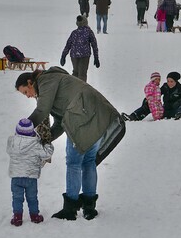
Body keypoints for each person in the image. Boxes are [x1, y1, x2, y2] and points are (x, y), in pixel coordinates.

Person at [15, 68, 125, 220]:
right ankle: (89, 207)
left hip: (81, 117)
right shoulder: (56, 79)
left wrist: (24, 128)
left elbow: (42, 110)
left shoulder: (45, 80)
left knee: (74, 163)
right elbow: (60, 122)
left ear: (30, 82)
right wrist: (47, 139)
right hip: (97, 116)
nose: (28, 96)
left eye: (26, 92)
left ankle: (70, 209)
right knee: (88, 162)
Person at [7, 118, 55, 226]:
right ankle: (35, 216)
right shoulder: (36, 144)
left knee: (17, 198)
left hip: (16, 177)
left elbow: (8, 150)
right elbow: (47, 153)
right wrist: (48, 144)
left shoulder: (12, 142)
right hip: (31, 178)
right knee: (32, 198)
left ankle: (17, 217)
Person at [59, 15, 100, 81]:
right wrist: (96, 57)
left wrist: (63, 56)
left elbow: (68, 45)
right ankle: (81, 89)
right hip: (85, 55)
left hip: (74, 55)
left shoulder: (74, 32)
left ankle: (73, 88)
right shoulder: (89, 32)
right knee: (82, 74)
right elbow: (94, 45)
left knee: (75, 72)